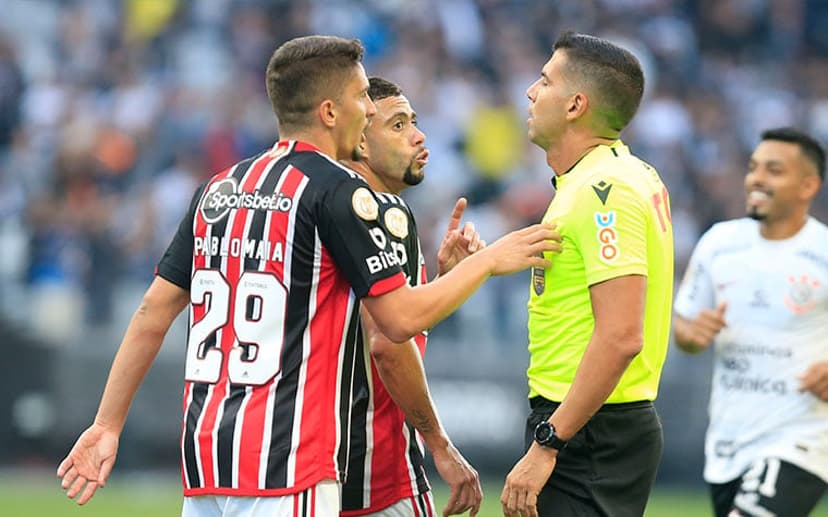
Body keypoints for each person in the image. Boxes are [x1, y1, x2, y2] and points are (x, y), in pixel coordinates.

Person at [56, 35, 561, 516]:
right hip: (288, 464)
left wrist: (106, 424)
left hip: (206, 462)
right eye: (363, 96)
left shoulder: (220, 187)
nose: (368, 109)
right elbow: (398, 322)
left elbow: (152, 311)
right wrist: (489, 261)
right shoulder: (339, 192)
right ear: (329, 111)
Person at [500, 31, 674, 517]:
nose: (531, 92)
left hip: (589, 430)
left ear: (576, 104)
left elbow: (620, 335)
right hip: (587, 422)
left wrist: (550, 441)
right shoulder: (618, 175)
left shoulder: (604, 190)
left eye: (544, 80)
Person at [341, 77, 483, 517]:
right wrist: (439, 444)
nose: (419, 136)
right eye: (398, 125)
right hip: (377, 474)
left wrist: (441, 282)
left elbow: (378, 325)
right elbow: (387, 343)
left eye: (415, 122)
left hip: (309, 469)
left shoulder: (324, 205)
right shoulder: (381, 211)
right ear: (360, 144)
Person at [673, 127, 828, 517]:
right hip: (729, 439)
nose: (757, 178)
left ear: (808, 185)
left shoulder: (822, 252)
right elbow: (684, 330)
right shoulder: (719, 243)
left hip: (801, 438)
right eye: (754, 167)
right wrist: (694, 333)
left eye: (774, 170)